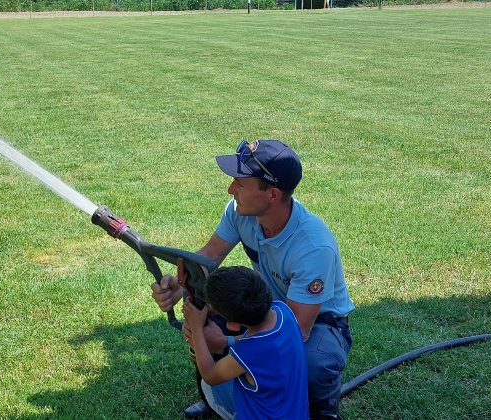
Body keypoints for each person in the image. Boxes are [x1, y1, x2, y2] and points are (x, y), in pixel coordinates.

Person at [151, 139, 355, 420]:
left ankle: (321, 410)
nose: (230, 189)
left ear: (271, 194)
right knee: (199, 318)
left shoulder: (313, 247)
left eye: (240, 183)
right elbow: (210, 256)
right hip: (263, 307)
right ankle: (219, 397)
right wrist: (180, 284)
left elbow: (295, 332)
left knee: (311, 364)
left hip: (318, 322)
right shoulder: (241, 212)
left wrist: (228, 344)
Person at [182, 266, 308, 420]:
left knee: (207, 384)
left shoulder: (246, 353)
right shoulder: (283, 311)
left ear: (233, 325)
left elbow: (210, 375)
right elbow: (262, 345)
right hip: (293, 413)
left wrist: (196, 329)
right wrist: (227, 339)